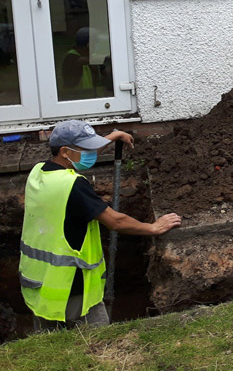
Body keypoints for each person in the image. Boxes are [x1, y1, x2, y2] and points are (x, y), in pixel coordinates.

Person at [19, 120, 182, 330]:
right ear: (65, 152)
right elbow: (116, 221)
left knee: (49, 346)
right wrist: (153, 227)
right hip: (71, 287)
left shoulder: (38, 172)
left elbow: (83, 155)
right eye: (86, 148)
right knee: (98, 342)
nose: (91, 154)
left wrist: (113, 137)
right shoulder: (73, 186)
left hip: (39, 282)